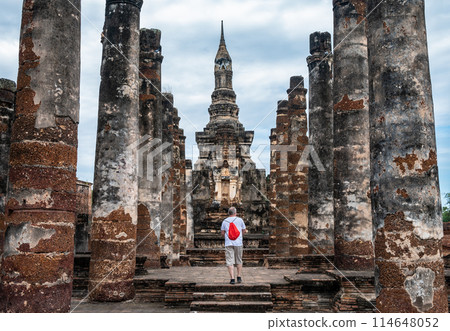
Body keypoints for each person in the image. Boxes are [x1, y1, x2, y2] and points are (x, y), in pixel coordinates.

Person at [221, 207, 246, 284]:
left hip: (229, 243)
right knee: (239, 259)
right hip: (238, 243)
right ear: (236, 213)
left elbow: (222, 233)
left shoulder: (224, 221)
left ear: (228, 213)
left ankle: (232, 278)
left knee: (229, 260)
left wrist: (228, 236)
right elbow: (244, 230)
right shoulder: (240, 220)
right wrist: (239, 236)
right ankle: (238, 276)